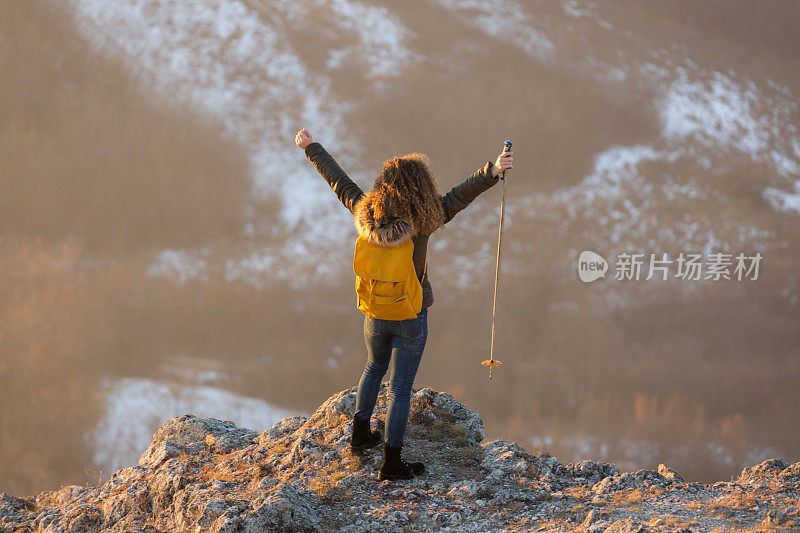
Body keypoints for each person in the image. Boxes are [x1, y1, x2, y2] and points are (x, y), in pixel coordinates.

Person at [295, 128, 513, 481]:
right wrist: (491, 171)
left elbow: (339, 181)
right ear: (419, 187)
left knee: (373, 367)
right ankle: (391, 463)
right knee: (399, 388)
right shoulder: (425, 219)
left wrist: (311, 148)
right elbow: (460, 195)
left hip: (375, 311)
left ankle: (360, 434)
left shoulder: (363, 212)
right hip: (411, 313)